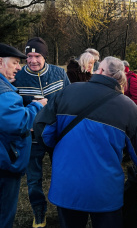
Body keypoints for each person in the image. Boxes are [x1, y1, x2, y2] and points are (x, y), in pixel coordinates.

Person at [36, 56, 137, 228]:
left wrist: (59, 151)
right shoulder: (129, 108)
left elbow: (43, 130)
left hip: (67, 185)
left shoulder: (68, 91)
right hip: (105, 192)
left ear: (101, 71)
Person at [13, 37, 70, 228]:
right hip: (32, 138)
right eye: (29, 56)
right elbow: (13, 107)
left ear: (44, 55)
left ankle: (65, 210)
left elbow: (69, 101)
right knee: (33, 179)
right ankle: (39, 211)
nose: (32, 60)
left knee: (62, 174)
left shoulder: (59, 74)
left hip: (57, 137)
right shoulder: (17, 77)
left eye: (37, 55)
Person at [0, 43, 47, 228]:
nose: (19, 67)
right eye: (15, 63)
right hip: (5, 164)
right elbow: (18, 122)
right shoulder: (3, 92)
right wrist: (37, 106)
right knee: (4, 212)